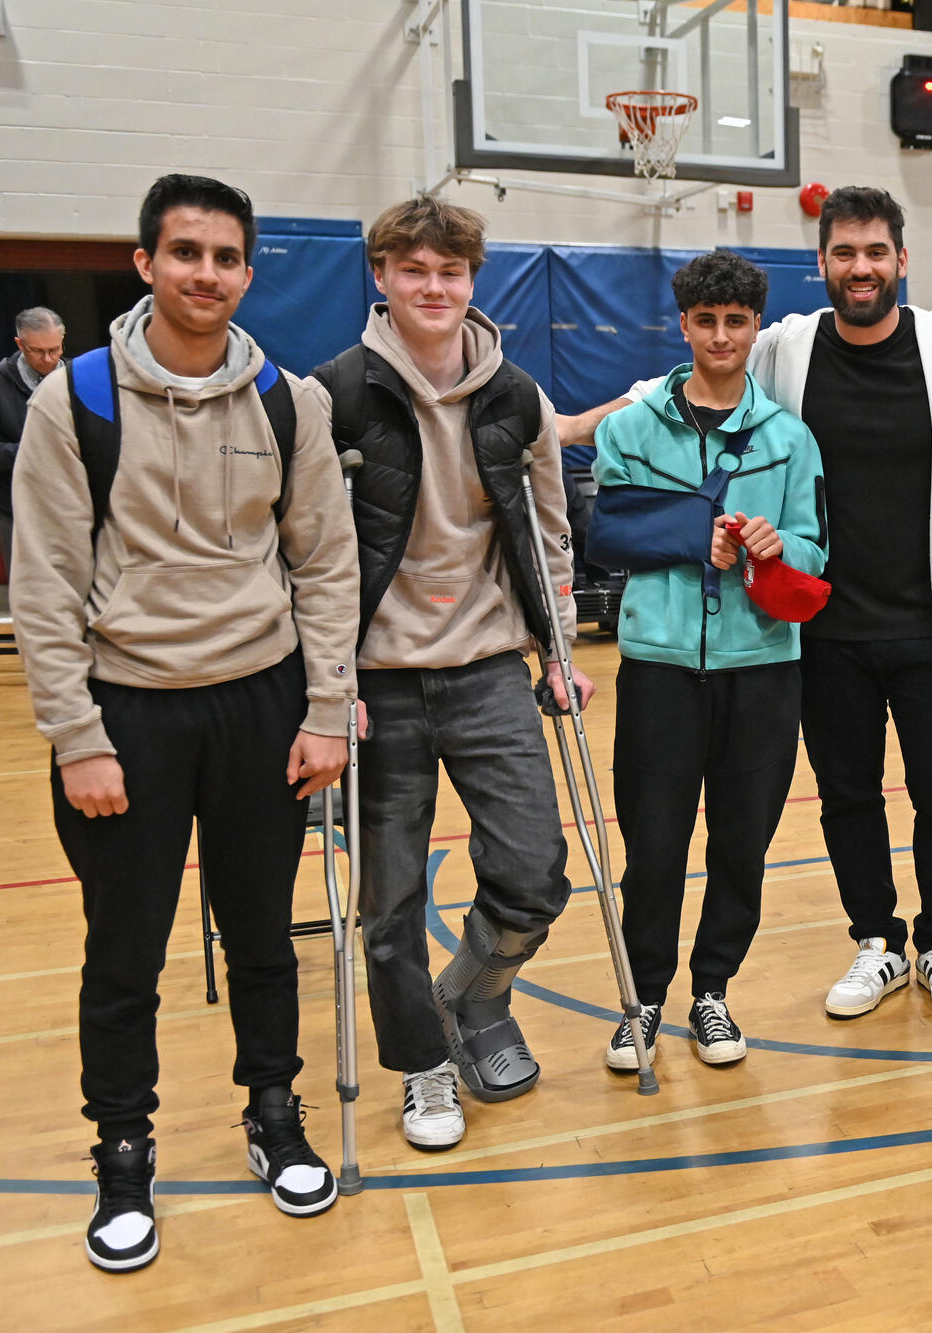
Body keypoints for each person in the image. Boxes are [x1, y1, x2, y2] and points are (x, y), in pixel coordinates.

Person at [569, 187, 932, 1020]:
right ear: (821, 262)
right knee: (845, 793)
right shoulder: (784, 345)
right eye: (843, 253)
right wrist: (569, 426)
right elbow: (671, 384)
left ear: (902, 258)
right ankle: (877, 942)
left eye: (875, 252)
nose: (861, 268)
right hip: (820, 629)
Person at [10, 174, 358, 1271]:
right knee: (124, 954)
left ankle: (272, 1111)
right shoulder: (76, 400)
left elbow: (326, 565)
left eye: (225, 256)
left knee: (261, 936)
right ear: (146, 263)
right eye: (184, 252)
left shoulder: (289, 401)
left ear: (248, 273)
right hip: (129, 714)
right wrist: (77, 734)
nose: (205, 272)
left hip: (260, 706)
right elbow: (47, 582)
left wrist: (327, 708)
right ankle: (122, 1152)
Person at [309, 194, 589, 1149]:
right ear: (382, 276)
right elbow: (308, 552)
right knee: (388, 902)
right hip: (377, 682)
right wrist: (324, 686)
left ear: (472, 281)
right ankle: (424, 1063)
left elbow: (550, 534)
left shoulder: (516, 396)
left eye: (452, 271)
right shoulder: (334, 393)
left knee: (535, 869)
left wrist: (561, 651)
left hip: (488, 668)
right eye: (414, 269)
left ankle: (469, 992)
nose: (435, 287)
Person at [592, 249, 826, 1069]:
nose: (721, 335)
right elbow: (609, 532)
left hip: (762, 668)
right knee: (653, 848)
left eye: (737, 321)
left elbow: (815, 551)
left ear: (756, 327)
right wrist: (698, 533)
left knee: (740, 844)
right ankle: (643, 997)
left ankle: (712, 990)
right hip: (658, 669)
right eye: (706, 320)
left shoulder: (790, 438)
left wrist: (775, 541)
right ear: (682, 322)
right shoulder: (628, 426)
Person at [0, 305, 65, 569]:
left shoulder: (78, 379)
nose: (48, 359)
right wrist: (34, 452)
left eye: (54, 350)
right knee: (28, 597)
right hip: (16, 511)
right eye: (39, 351)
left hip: (70, 509)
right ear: (20, 345)